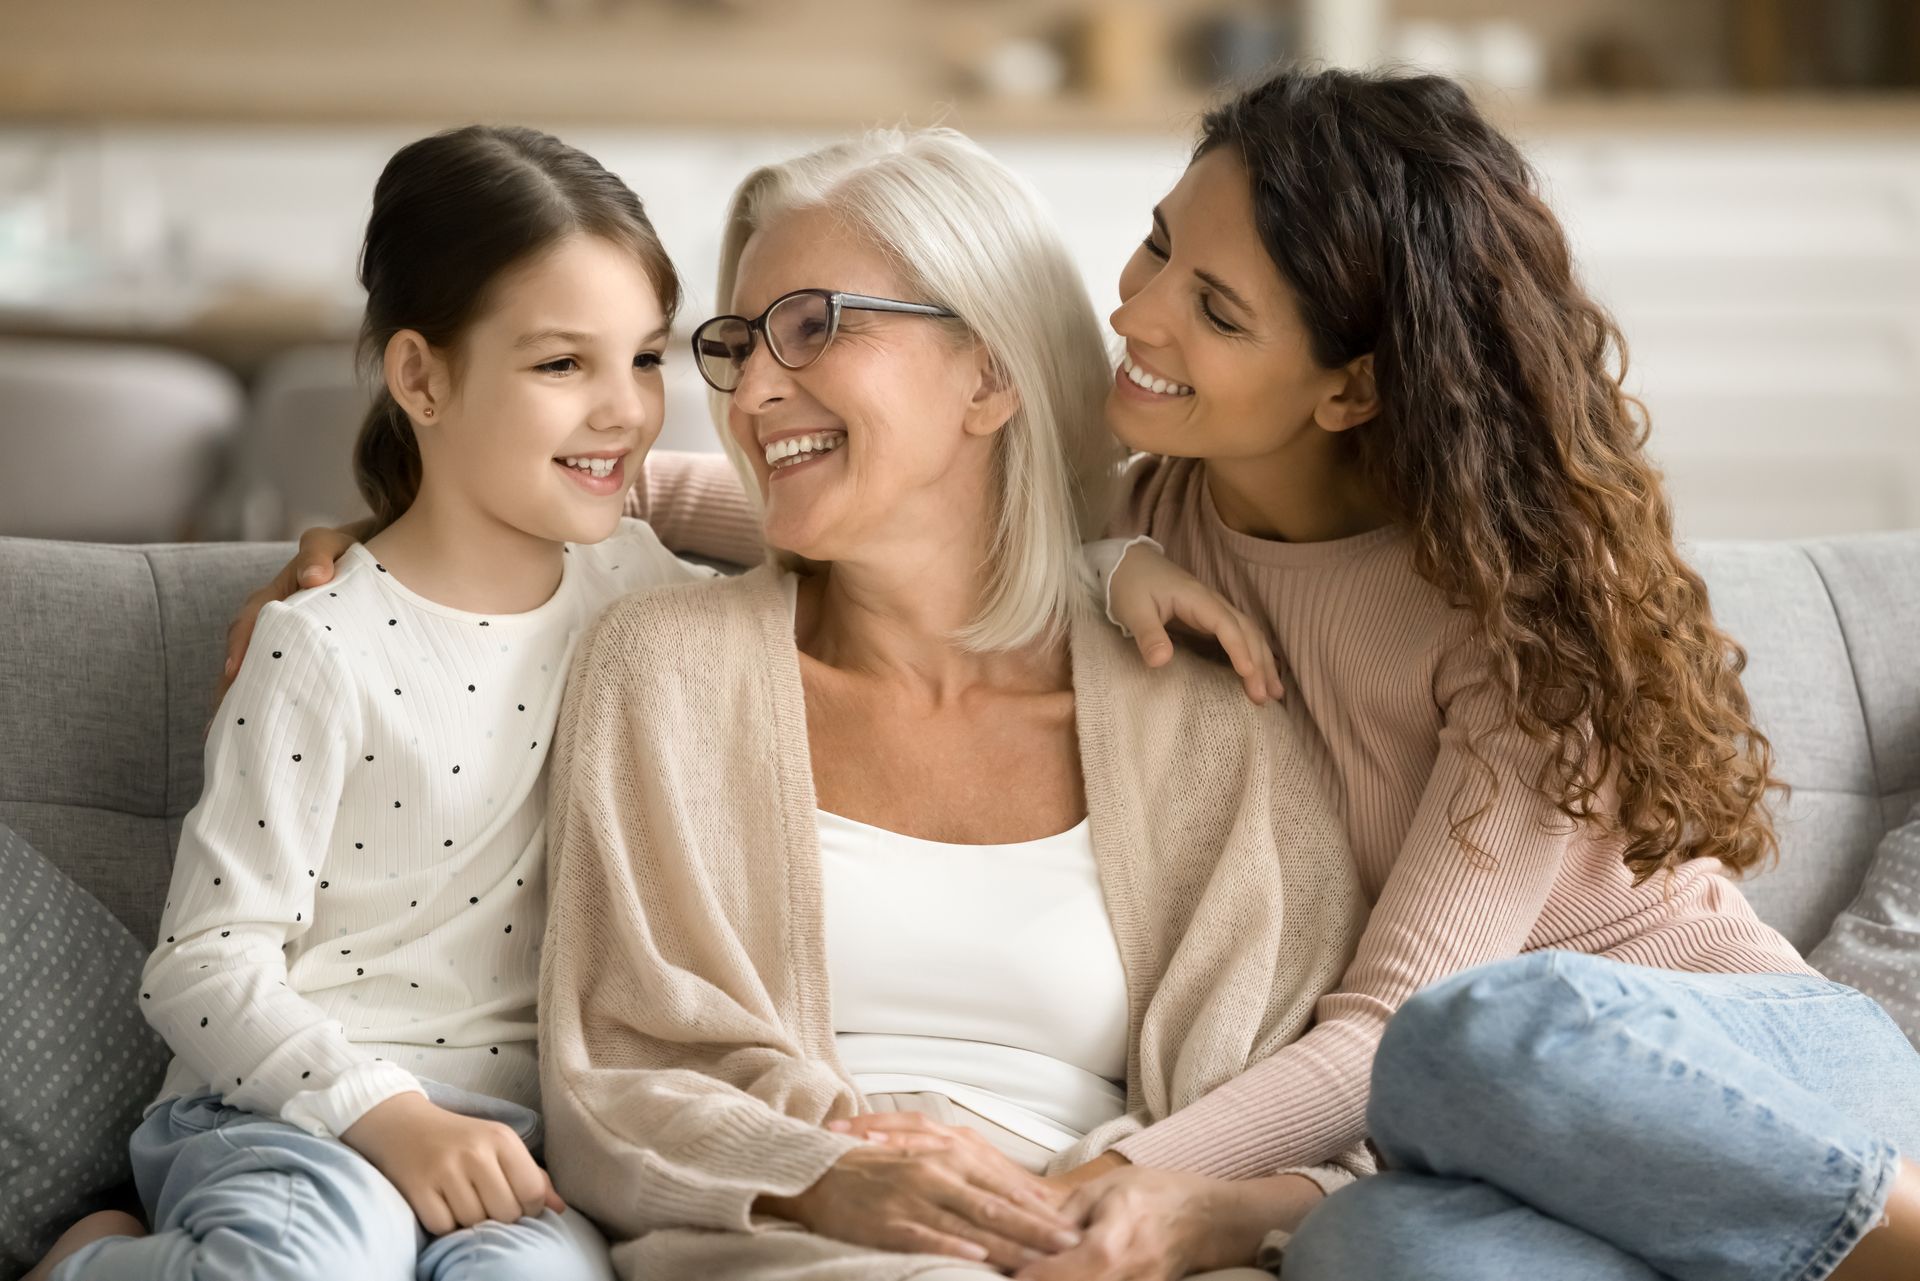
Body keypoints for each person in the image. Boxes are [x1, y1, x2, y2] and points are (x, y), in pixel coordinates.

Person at [536, 127, 1368, 1281]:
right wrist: (830, 1175)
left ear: (991, 375)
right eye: (737, 345)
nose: (754, 391)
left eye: (815, 326)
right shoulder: (662, 672)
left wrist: (1131, 1214)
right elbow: (613, 1076)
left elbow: (1330, 1131)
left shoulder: (1205, 710)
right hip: (808, 1244)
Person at [32, 123, 709, 1281]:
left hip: (518, 1144)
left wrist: (1117, 566)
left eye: (645, 358)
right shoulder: (319, 645)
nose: (625, 410)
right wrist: (382, 1114)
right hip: (292, 1110)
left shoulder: (648, 599)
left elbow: (887, 568)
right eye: (562, 365)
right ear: (420, 378)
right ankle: (92, 1261)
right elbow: (202, 964)